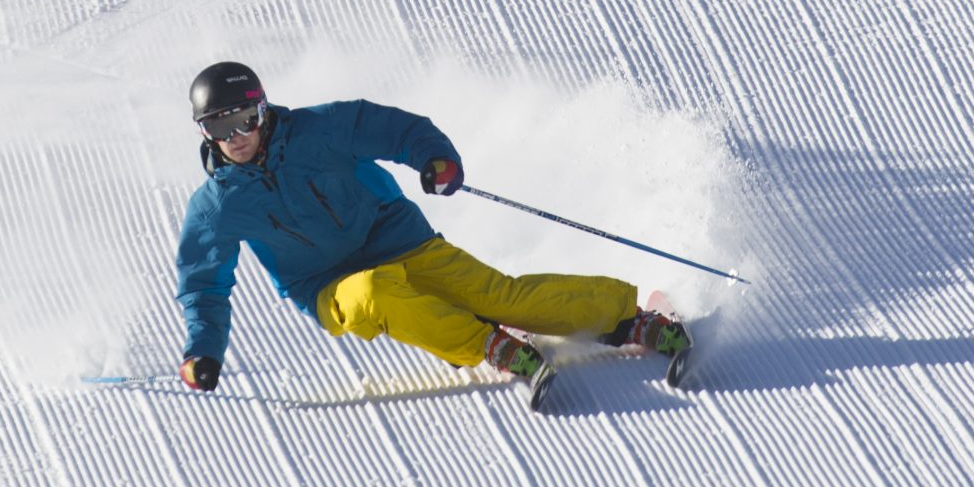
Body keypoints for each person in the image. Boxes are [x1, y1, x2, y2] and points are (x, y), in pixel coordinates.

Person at [175, 60, 686, 392]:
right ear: (205, 132)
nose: (236, 134)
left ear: (262, 110)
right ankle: (493, 347)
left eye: (244, 117)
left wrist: (435, 159)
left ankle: (631, 320)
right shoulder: (216, 206)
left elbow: (395, 129)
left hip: (398, 238)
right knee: (376, 292)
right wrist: (203, 350)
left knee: (498, 295)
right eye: (219, 126)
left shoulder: (320, 130)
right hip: (327, 287)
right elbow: (203, 284)